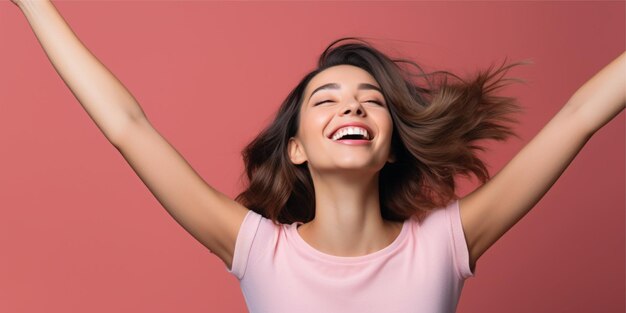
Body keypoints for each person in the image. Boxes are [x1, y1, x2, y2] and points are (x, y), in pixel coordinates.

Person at [11, 0, 625, 312]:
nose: (352, 109)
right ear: (298, 147)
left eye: (371, 101)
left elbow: (578, 116)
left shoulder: (444, 243)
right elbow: (127, 126)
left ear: (391, 147)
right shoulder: (256, 247)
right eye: (326, 100)